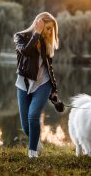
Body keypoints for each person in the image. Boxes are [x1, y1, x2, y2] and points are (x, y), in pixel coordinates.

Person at [14, 12, 63, 158]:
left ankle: (32, 153)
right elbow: (26, 52)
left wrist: (54, 91)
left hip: (43, 84)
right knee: (25, 126)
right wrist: (36, 33)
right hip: (23, 84)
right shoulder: (20, 37)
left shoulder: (47, 42)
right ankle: (36, 143)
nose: (49, 32)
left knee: (33, 115)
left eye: (51, 30)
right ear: (38, 24)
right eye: (47, 28)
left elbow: (49, 68)